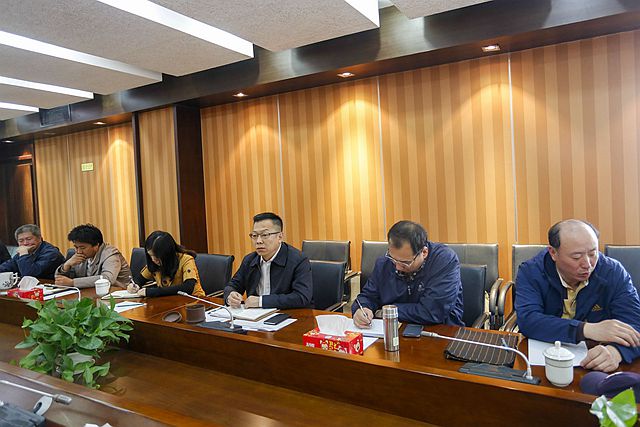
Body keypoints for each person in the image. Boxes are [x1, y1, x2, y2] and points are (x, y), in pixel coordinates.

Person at [516, 219, 640, 372]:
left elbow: (635, 325)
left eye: (593, 253)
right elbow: (528, 320)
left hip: (596, 363)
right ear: (553, 253)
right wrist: (586, 329)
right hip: (545, 361)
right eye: (576, 257)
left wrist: (617, 352)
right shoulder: (531, 272)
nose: (587, 264)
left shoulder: (612, 272)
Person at [353, 220, 464, 328]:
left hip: (439, 330)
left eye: (405, 263)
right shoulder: (384, 263)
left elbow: (432, 311)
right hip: (393, 328)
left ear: (424, 252)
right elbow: (368, 296)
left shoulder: (444, 260)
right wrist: (362, 308)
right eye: (393, 259)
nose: (397, 267)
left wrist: (387, 312)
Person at [224, 212, 312, 309]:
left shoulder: (298, 260)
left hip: (288, 314)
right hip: (254, 315)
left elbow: (301, 297)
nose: (258, 241)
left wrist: (261, 301)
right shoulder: (249, 260)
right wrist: (231, 295)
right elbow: (233, 285)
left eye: (265, 235)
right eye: (254, 235)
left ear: (280, 237)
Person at [127, 231, 205, 298]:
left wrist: (153, 292)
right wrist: (134, 285)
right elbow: (140, 279)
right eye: (150, 255)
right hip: (169, 303)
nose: (153, 259)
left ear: (167, 254)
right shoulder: (154, 263)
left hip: (194, 302)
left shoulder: (186, 260)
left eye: (156, 256)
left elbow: (188, 287)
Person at [55, 224, 131, 288]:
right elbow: (59, 280)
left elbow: (107, 279)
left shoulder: (111, 255)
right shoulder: (79, 255)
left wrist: (73, 283)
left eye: (82, 248)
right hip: (90, 293)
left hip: (118, 294)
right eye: (76, 247)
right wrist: (66, 265)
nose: (78, 251)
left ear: (96, 245)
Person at [0, 224, 64, 279]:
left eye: (29, 239)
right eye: (21, 241)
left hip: (52, 286)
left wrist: (24, 254)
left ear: (39, 238)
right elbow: (6, 267)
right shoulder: (25, 251)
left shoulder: (51, 253)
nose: (25, 243)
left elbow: (29, 275)